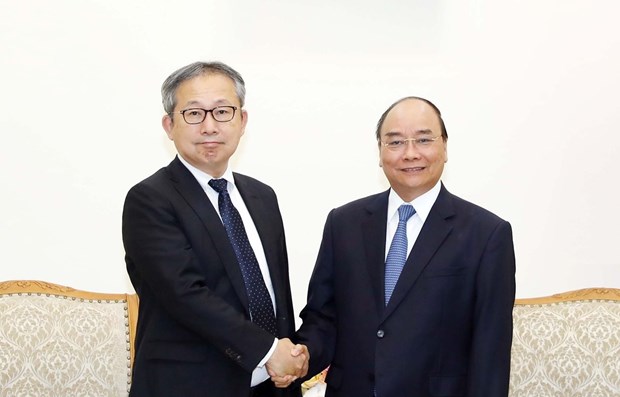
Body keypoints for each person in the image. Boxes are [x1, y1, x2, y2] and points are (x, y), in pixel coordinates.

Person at [294, 97, 516, 396]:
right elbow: (323, 317)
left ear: (445, 147)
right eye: (395, 142)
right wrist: (301, 356)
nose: (410, 154)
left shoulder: (487, 235)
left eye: (423, 139)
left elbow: (490, 351)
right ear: (380, 151)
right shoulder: (343, 223)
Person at [122, 61, 307, 397]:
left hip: (272, 386)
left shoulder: (262, 196)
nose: (210, 126)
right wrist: (269, 351)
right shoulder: (150, 200)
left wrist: (291, 352)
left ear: (242, 120)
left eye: (222, 112)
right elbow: (186, 296)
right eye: (194, 114)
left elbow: (275, 294)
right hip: (189, 387)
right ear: (169, 125)